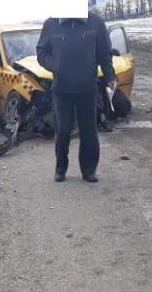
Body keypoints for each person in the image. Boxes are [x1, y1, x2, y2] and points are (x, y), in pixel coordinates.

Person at [36, 12, 117, 183]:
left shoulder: (95, 22)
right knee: (63, 130)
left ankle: (89, 170)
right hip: (61, 89)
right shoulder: (51, 24)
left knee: (88, 131)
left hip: (87, 88)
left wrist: (110, 77)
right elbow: (41, 51)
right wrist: (54, 66)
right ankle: (60, 168)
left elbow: (104, 53)